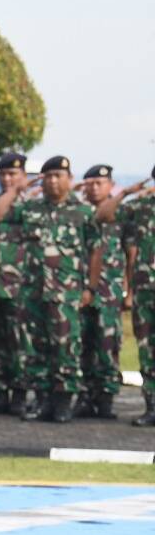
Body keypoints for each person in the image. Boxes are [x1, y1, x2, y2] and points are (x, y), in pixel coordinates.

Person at [0, 156, 97, 423]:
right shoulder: (31, 209)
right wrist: (16, 189)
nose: (52, 181)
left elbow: (96, 250)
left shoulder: (83, 212)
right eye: (48, 176)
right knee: (36, 349)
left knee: (65, 348)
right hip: (33, 292)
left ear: (69, 179)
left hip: (66, 292)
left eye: (58, 175)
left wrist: (90, 288)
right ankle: (43, 401)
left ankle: (63, 402)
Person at [95, 166, 155, 426]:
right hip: (145, 290)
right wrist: (125, 194)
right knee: (147, 351)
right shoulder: (141, 207)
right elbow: (102, 215)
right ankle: (152, 405)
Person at [0, 153, 32, 416]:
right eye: (4, 175)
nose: (8, 179)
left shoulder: (33, 204)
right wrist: (12, 192)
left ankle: (20, 394)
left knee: (19, 342)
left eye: (14, 174)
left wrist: (20, 192)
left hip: (23, 285)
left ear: (24, 175)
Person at [77, 164, 125, 419]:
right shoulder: (79, 215)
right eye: (90, 183)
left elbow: (131, 251)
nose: (95, 188)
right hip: (79, 291)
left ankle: (105, 398)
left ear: (110, 185)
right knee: (82, 345)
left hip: (110, 291)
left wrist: (127, 288)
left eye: (100, 183)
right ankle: (85, 396)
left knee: (108, 346)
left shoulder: (121, 215)